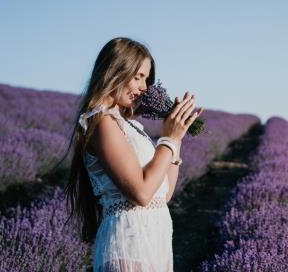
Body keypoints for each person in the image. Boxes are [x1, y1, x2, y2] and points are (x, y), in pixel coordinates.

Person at [63, 37, 204, 271]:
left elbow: (163, 193)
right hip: (128, 243)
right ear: (114, 71)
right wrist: (170, 138)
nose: (144, 87)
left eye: (147, 79)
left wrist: (175, 139)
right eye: (138, 77)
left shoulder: (131, 126)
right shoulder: (102, 122)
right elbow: (141, 193)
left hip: (154, 243)